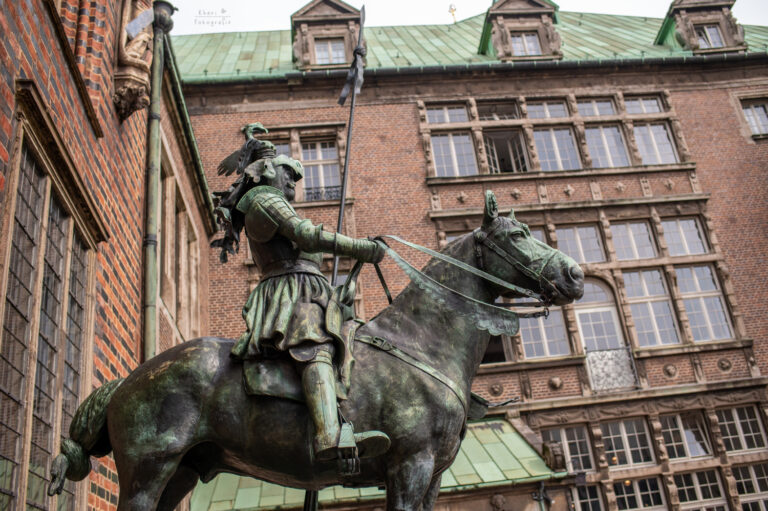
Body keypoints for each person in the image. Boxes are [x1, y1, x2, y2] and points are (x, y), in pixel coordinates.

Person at [212, 140, 388, 462]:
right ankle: (328, 434)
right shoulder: (265, 200)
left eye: (296, 174)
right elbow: (305, 235)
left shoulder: (275, 201)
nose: (294, 179)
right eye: (288, 172)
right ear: (267, 172)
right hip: (289, 291)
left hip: (307, 287)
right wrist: (360, 248)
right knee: (314, 342)